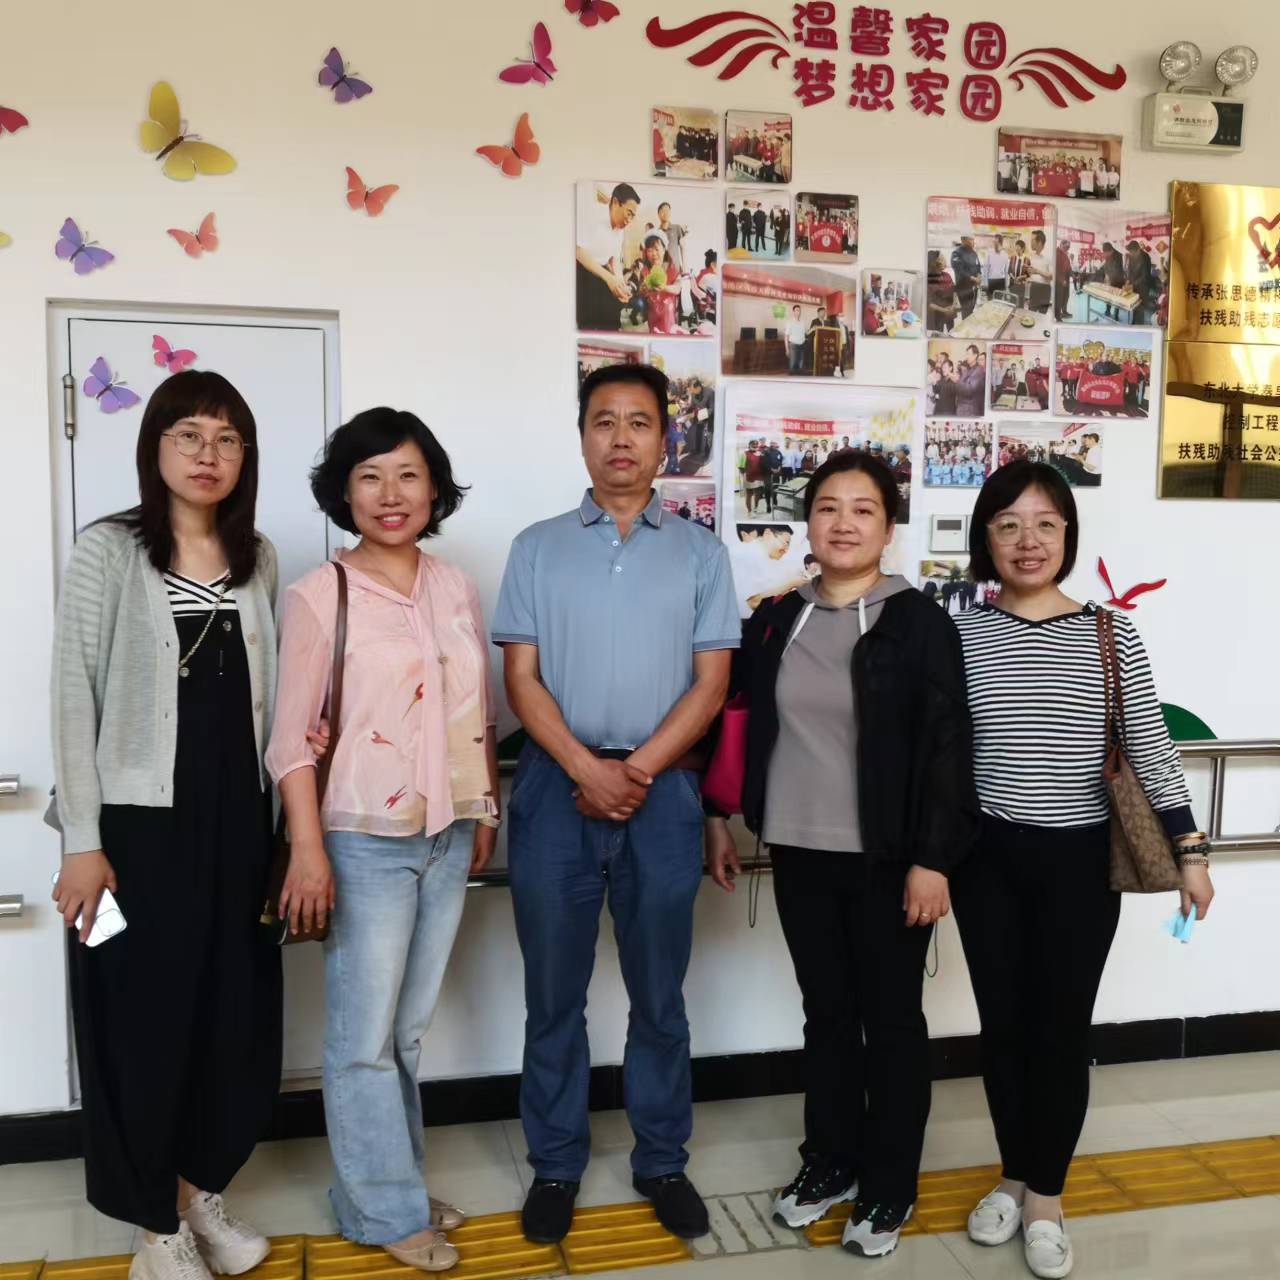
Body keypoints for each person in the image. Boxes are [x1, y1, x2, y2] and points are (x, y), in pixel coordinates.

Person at [705, 451, 979, 1259]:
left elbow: (948, 747)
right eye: (828, 507)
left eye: (864, 509)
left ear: (888, 529)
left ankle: (890, 1181)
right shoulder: (775, 620)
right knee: (826, 1016)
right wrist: (720, 816)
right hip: (799, 849)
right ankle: (829, 1161)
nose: (844, 523)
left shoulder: (920, 623)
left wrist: (934, 860)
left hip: (891, 859)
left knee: (890, 1023)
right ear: (809, 526)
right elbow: (738, 717)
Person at [492, 363, 739, 1246]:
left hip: (661, 796)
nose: (621, 438)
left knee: (659, 995)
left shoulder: (702, 553)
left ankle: (661, 1160)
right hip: (555, 791)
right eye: (604, 421)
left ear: (666, 438)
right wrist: (584, 769)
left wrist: (634, 771)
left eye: (639, 422)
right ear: (583, 436)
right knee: (552, 996)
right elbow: (520, 678)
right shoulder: (536, 547)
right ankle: (556, 1164)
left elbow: (712, 685)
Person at [951, 463, 1215, 1280]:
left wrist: (1191, 853)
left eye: (1045, 524)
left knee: (1060, 1030)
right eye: (1008, 524)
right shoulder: (959, 633)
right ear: (986, 537)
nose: (1027, 541)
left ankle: (1046, 1197)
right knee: (1002, 1029)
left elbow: (1151, 748)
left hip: (1079, 862)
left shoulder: (1109, 633)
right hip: (985, 860)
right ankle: (1013, 1173)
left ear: (1068, 535)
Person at [51, 371, 283, 1280]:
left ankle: (194, 1193)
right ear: (156, 448)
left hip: (238, 825)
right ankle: (154, 1229)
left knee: (230, 1014)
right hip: (135, 832)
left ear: (245, 457)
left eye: (227, 439)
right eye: (188, 435)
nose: (207, 455)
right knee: (137, 1022)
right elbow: (73, 695)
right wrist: (82, 840)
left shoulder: (257, 555)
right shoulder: (108, 550)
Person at [268, 409, 497, 1273]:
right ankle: (386, 1211)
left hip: (449, 831)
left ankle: (386, 1185)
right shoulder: (318, 595)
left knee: (404, 1035)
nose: (390, 494)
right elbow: (290, 742)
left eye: (407, 474)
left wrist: (483, 811)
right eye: (369, 476)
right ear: (345, 491)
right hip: (362, 838)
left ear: (433, 487)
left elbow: (477, 710)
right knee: (362, 1040)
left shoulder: (454, 586)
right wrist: (308, 851)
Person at [576, 183, 640, 331]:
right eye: (628, 213)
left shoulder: (620, 228)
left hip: (603, 274)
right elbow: (578, 250)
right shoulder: (592, 215)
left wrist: (620, 282)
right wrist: (609, 279)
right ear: (616, 202)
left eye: (633, 216)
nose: (629, 220)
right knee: (588, 322)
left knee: (613, 317)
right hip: (583, 271)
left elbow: (614, 258)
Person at [951, 235, 982, 320]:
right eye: (971, 239)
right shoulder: (956, 253)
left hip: (974, 288)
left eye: (973, 239)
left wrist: (979, 276)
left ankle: (969, 325)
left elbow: (978, 266)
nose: (973, 241)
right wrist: (972, 278)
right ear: (963, 240)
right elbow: (959, 269)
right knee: (966, 311)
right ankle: (965, 326)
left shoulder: (973, 253)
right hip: (963, 288)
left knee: (971, 309)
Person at [927, 251, 959, 333]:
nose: (945, 260)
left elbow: (954, 291)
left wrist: (953, 305)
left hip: (950, 311)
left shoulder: (947, 275)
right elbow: (929, 303)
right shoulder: (929, 280)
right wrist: (944, 310)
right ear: (934, 263)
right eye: (941, 259)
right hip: (937, 315)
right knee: (938, 333)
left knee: (952, 331)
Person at [956, 345, 986, 417]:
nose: (966, 357)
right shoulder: (968, 370)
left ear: (975, 355)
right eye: (966, 354)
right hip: (962, 408)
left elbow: (970, 390)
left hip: (970, 410)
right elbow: (960, 386)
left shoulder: (979, 370)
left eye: (968, 354)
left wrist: (957, 381)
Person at [657, 202, 687, 275]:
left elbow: (682, 247)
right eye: (663, 211)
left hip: (676, 269)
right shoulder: (657, 232)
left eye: (667, 210)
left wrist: (684, 266)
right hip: (662, 270)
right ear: (659, 214)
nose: (665, 213)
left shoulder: (677, 228)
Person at [786, 304, 808, 375]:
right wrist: (787, 349)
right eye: (797, 310)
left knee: (801, 365)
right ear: (793, 312)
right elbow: (786, 336)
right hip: (793, 346)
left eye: (799, 310)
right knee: (792, 365)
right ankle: (791, 379)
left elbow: (806, 333)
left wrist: (813, 329)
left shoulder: (802, 322)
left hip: (802, 345)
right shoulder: (790, 322)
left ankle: (799, 378)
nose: (798, 312)